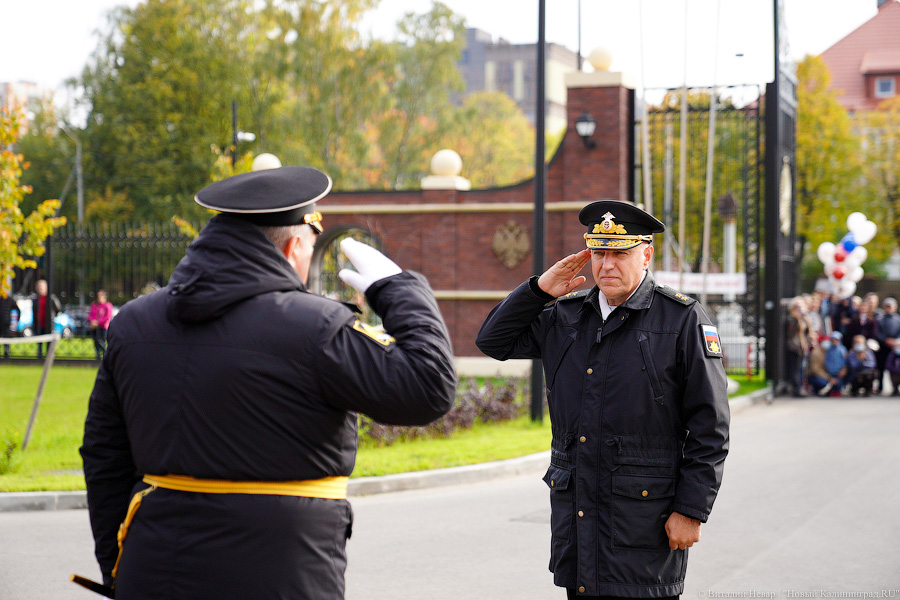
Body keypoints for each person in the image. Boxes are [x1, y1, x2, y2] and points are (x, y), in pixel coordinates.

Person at [79, 166, 457, 600]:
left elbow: (104, 456)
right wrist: (398, 289)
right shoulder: (317, 327)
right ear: (296, 244)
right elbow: (429, 387)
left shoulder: (132, 323)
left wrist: (116, 565)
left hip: (152, 570)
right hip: (283, 575)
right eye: (312, 247)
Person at [476, 200, 730, 599]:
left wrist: (691, 510)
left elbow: (710, 426)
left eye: (620, 254)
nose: (607, 265)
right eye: (599, 253)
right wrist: (538, 289)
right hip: (579, 521)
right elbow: (492, 341)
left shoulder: (681, 321)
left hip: (645, 523)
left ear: (646, 255)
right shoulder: (565, 316)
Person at [784, 297, 812, 397]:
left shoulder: (804, 318)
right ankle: (796, 389)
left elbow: (807, 332)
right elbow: (792, 333)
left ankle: (800, 387)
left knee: (801, 369)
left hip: (802, 347)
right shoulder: (792, 318)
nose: (799, 309)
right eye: (797, 307)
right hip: (794, 347)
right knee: (794, 369)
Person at [31, 279, 61, 359]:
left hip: (48, 323)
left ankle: (49, 356)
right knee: (39, 341)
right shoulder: (35, 299)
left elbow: (58, 309)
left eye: (42, 287)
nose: (40, 289)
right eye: (39, 287)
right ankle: (39, 356)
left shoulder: (51, 298)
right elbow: (34, 311)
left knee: (49, 341)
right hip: (39, 323)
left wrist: (53, 316)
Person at [875, 297, 900, 394]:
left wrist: (896, 341)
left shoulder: (898, 319)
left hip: (896, 347)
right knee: (881, 367)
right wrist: (885, 340)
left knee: (896, 368)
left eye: (890, 307)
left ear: (895, 307)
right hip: (883, 346)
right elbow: (877, 332)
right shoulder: (879, 319)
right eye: (887, 306)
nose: (888, 309)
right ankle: (879, 386)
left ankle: (895, 387)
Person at [88, 290, 114, 360]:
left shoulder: (107, 306)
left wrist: (98, 322)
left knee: (102, 341)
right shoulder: (94, 305)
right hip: (95, 327)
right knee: (95, 340)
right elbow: (91, 315)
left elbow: (107, 317)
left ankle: (105, 355)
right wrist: (93, 321)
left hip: (103, 326)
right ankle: (98, 355)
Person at [821, 331, 848, 397]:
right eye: (833, 340)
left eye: (836, 340)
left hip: (839, 371)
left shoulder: (842, 349)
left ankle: (838, 390)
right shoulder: (828, 349)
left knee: (839, 383)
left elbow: (845, 360)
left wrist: (843, 369)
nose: (834, 341)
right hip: (830, 371)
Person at [0, 293, 16, 359]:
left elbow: (17, 309)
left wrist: (15, 322)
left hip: (6, 324)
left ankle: (7, 355)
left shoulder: (10, 300)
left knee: (6, 341)